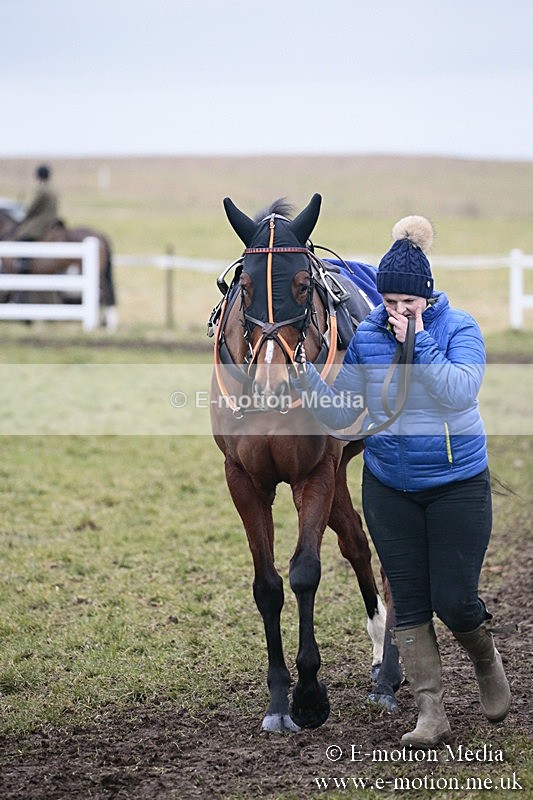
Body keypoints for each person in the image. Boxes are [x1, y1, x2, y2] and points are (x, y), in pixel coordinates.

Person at [292, 215, 511, 747]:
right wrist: (305, 378)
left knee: (455, 600)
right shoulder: (368, 336)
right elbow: (342, 410)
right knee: (409, 602)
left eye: (406, 305)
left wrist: (418, 342)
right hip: (390, 487)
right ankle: (430, 713)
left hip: (456, 483)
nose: (394, 313)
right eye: (388, 302)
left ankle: (485, 659)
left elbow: (458, 392)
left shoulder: (458, 329)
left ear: (426, 299)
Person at [14, 164, 59, 242]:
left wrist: (24, 215)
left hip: (41, 222)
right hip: (51, 219)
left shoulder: (41, 190)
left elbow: (33, 208)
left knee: (23, 238)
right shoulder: (52, 189)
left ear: (38, 176)